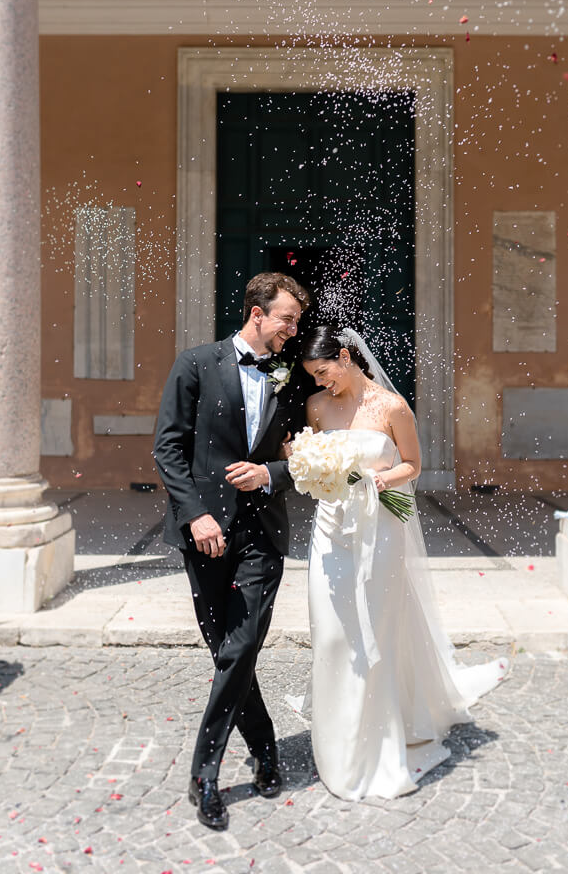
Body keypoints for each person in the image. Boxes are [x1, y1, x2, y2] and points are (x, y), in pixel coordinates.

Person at [294, 324, 509, 801]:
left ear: (347, 357)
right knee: (331, 631)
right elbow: (307, 460)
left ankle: (375, 740)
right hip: (330, 532)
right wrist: (303, 463)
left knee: (376, 627)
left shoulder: (393, 407)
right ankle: (336, 732)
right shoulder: (317, 407)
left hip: (381, 529)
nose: (322, 384)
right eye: (314, 377)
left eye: (325, 372)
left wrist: (374, 481)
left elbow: (412, 464)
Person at [153, 272, 310, 830]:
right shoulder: (195, 363)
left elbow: (310, 457)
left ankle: (205, 774)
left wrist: (271, 472)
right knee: (229, 651)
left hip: (262, 535)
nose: (294, 329)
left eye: (295, 320)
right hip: (205, 534)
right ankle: (265, 747)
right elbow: (168, 448)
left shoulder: (291, 377)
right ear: (256, 312)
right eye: (287, 318)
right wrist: (195, 514)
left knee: (241, 647)